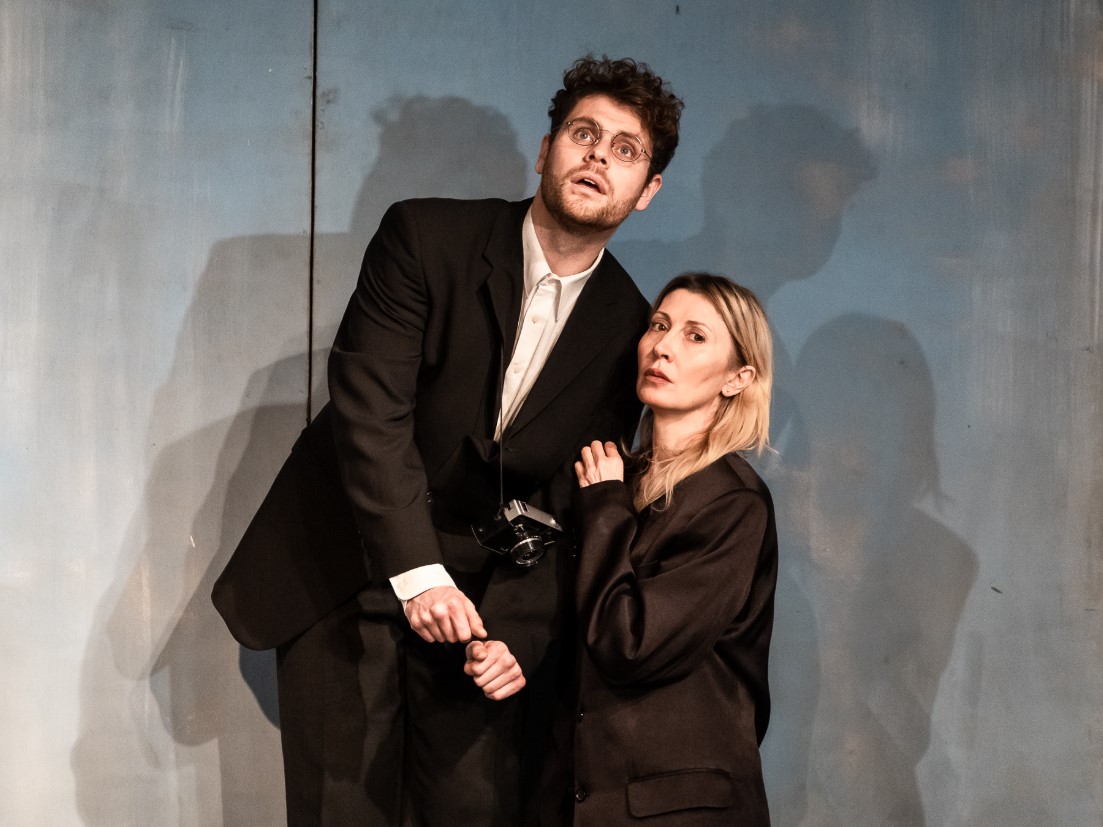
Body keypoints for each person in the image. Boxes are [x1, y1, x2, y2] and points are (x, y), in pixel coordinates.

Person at [210, 55, 683, 826]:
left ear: (648, 189)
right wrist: (419, 573)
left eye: (624, 149)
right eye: (583, 134)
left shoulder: (628, 325)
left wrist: (516, 636)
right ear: (546, 149)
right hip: (348, 566)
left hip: (477, 607)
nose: (598, 156)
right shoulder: (424, 236)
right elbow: (371, 412)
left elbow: (561, 500)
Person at [550, 272, 778, 825]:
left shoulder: (731, 502)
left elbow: (629, 645)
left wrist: (604, 510)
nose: (663, 347)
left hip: (680, 812)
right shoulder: (615, 479)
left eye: (695, 336)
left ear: (738, 378)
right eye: (659, 325)